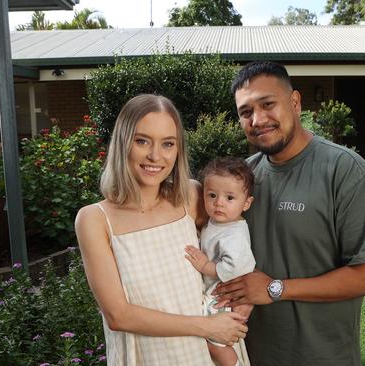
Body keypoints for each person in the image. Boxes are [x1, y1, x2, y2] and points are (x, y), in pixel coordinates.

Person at [214, 61, 365, 366]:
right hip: (250, 355)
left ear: (295, 103)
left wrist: (275, 288)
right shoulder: (244, 178)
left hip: (321, 356)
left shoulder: (346, 172)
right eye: (246, 112)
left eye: (268, 104)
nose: (257, 119)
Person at [75, 94, 248, 366]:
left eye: (168, 144)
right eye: (142, 141)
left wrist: (245, 297)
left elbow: (235, 244)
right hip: (148, 357)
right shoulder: (95, 220)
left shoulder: (190, 197)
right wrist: (206, 326)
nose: (155, 156)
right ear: (122, 143)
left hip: (209, 354)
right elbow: (118, 316)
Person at [184, 157, 256, 366]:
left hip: (225, 295)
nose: (219, 203)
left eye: (229, 198)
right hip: (217, 290)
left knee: (216, 344)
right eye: (212, 195)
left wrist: (205, 266)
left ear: (247, 203)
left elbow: (236, 267)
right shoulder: (219, 222)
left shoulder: (234, 235)